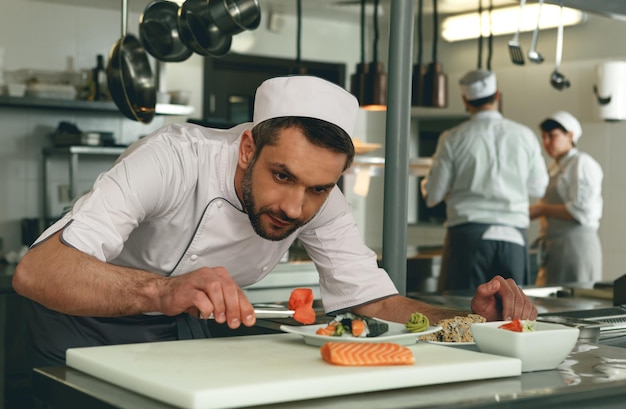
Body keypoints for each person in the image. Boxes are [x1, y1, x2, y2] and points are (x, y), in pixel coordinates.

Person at [14, 75, 537, 370]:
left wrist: (471, 323)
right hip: (76, 330)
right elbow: (38, 272)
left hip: (176, 342)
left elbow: (372, 302)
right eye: (281, 176)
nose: (294, 207)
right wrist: (163, 292)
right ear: (247, 148)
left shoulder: (319, 198)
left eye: (317, 188)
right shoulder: (174, 157)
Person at [421, 69, 549, 291]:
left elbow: (433, 196)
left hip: (468, 237)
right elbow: (538, 187)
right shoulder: (524, 135)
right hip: (514, 239)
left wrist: (428, 183)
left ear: (465, 100)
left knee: (462, 311)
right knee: (515, 316)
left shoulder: (452, 138)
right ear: (497, 95)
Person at [529, 111, 603, 286]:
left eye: (552, 136)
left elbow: (580, 210)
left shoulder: (581, 163)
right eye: (543, 137)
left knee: (577, 304)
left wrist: (540, 210)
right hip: (554, 247)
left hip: (576, 247)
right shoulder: (553, 166)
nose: (546, 142)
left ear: (570, 135)